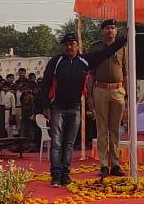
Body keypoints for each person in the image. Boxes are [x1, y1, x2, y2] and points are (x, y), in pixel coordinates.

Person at [41, 30, 127, 186]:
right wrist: (45, 106)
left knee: (69, 144)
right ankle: (56, 176)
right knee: (57, 144)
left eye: (72, 44)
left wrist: (123, 39)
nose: (69, 47)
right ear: (63, 47)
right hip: (57, 108)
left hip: (75, 108)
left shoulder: (85, 61)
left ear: (77, 46)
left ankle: (65, 175)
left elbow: (106, 53)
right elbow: (45, 83)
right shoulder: (55, 62)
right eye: (66, 45)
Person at [88, 20, 129, 178]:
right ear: (102, 31)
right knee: (102, 129)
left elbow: (125, 72)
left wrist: (127, 94)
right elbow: (91, 74)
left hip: (118, 90)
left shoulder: (123, 48)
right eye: (107, 28)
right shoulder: (95, 48)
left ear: (116, 31)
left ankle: (115, 164)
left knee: (115, 129)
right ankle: (104, 164)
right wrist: (90, 96)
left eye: (112, 28)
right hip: (101, 90)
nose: (110, 31)